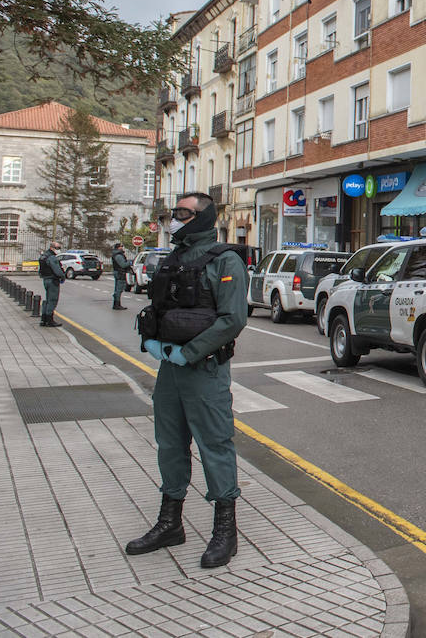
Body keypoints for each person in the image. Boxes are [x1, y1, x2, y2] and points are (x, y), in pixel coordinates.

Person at [125, 193, 249, 569]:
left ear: (202, 217)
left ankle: (225, 531)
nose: (174, 219)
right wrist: (154, 341)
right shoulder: (174, 258)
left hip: (204, 370)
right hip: (170, 370)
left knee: (215, 446)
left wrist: (189, 352)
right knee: (169, 444)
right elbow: (161, 307)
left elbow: (232, 320)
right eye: (174, 213)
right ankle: (170, 523)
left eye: (182, 213)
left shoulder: (226, 261)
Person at [38, 240, 64, 327]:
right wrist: (62, 276)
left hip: (45, 279)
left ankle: (44, 319)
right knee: (52, 300)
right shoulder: (52, 257)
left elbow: (40, 269)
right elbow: (57, 270)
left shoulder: (43, 256)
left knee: (47, 299)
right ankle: (49, 320)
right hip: (53, 280)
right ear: (52, 248)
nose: (59, 250)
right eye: (57, 248)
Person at [111, 243, 131, 310]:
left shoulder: (117, 254)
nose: (122, 247)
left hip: (118, 272)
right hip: (120, 273)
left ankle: (116, 304)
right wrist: (130, 262)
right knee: (119, 289)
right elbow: (123, 265)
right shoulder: (118, 255)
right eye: (121, 246)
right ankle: (117, 304)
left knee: (117, 289)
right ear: (118, 247)